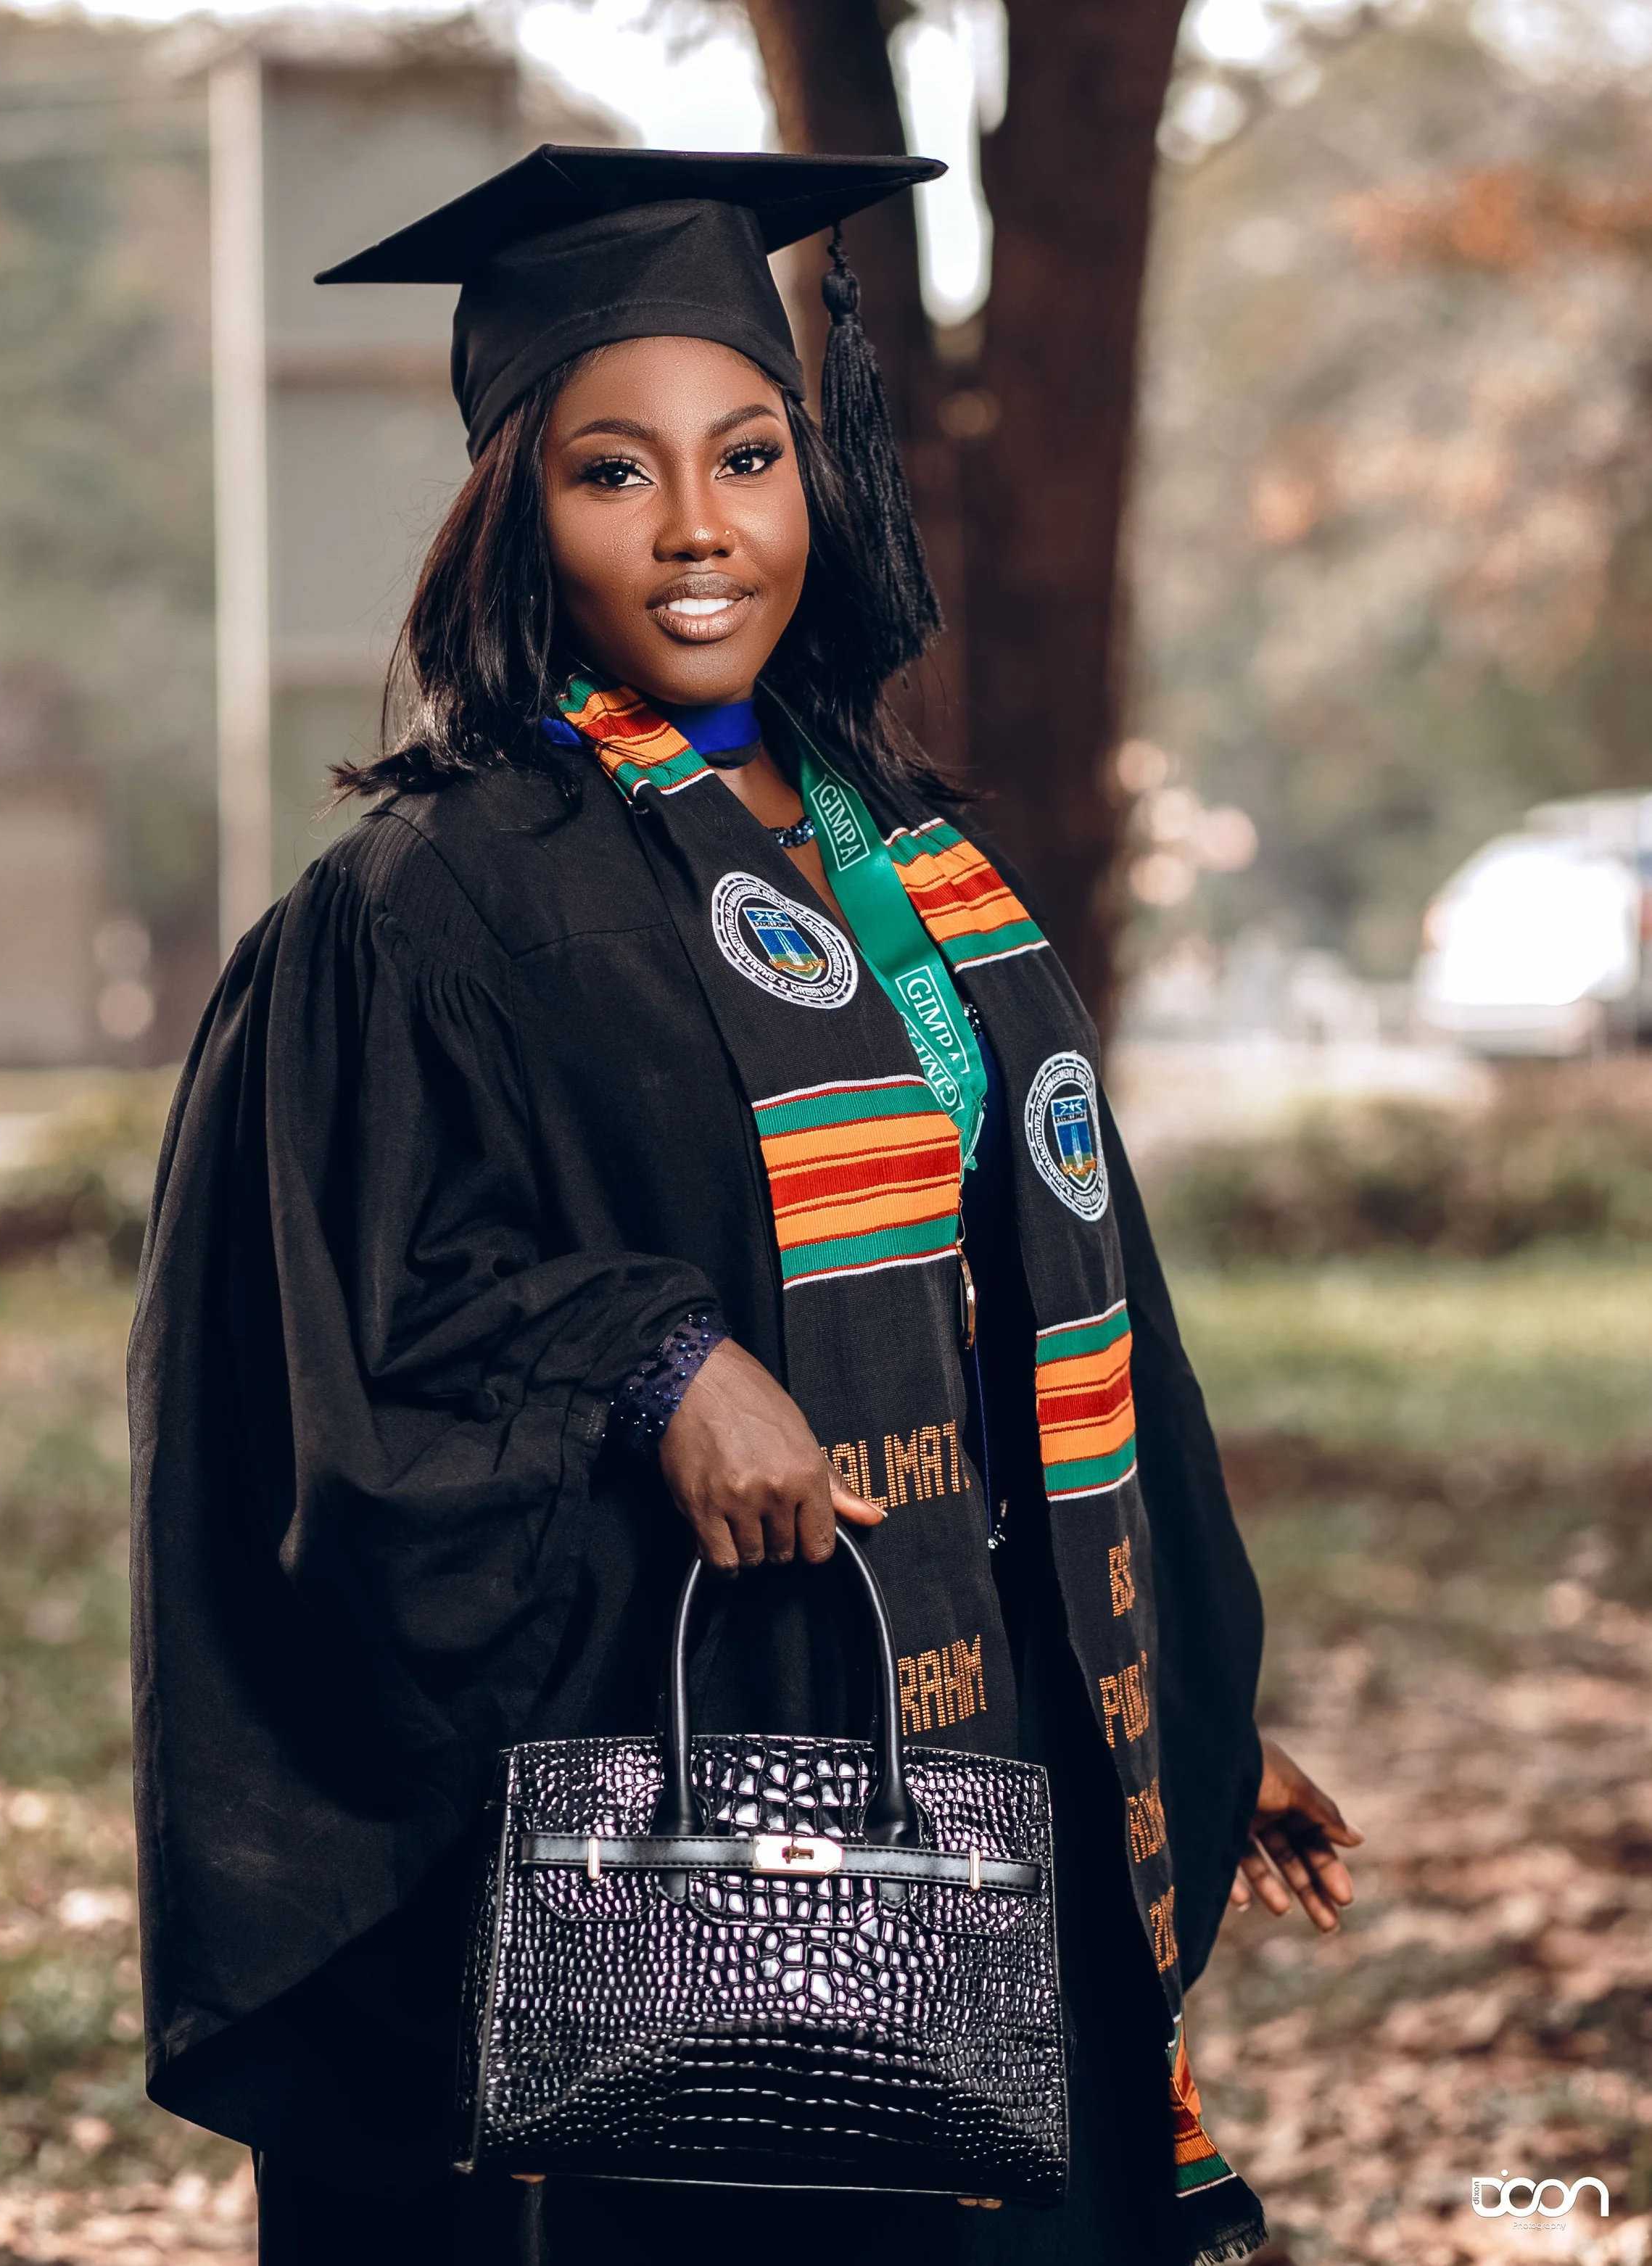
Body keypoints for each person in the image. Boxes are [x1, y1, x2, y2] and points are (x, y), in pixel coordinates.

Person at [129, 145, 1360, 2266]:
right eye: (617, 471)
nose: (700, 530)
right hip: (712, 1804)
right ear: (512, 501)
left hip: (1000, 1764)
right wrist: (650, 1358)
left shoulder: (908, 859)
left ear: (820, 475)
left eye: (750, 453)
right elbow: (335, 1334)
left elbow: (1052, 1292)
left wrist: (1182, 1686)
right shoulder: (432, 901)